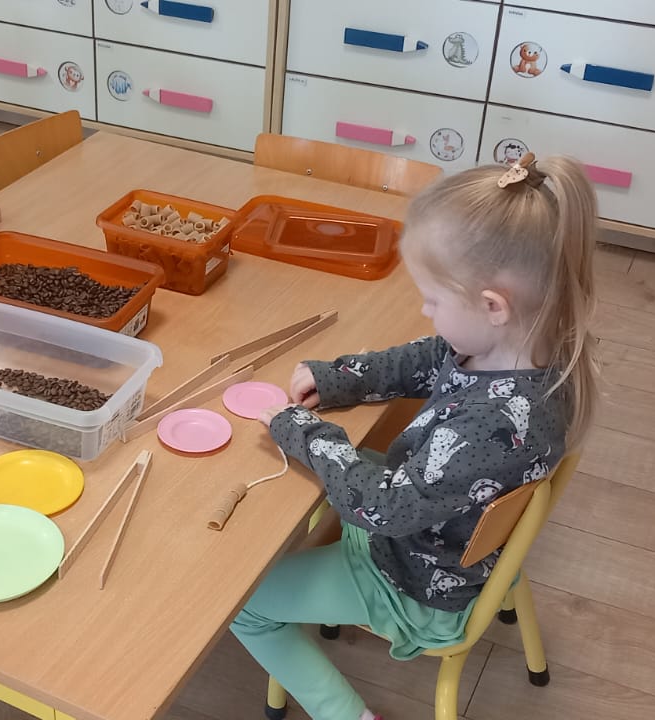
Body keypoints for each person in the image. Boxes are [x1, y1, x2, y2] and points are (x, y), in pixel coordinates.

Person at [234, 153, 600, 720]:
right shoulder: (535, 345)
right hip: (444, 534)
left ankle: (348, 716)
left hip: (415, 581)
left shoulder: (489, 425)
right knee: (324, 484)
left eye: (432, 298)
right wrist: (341, 378)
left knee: (241, 605)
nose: (424, 310)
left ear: (492, 306)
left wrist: (302, 431)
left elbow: (383, 508)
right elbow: (431, 359)